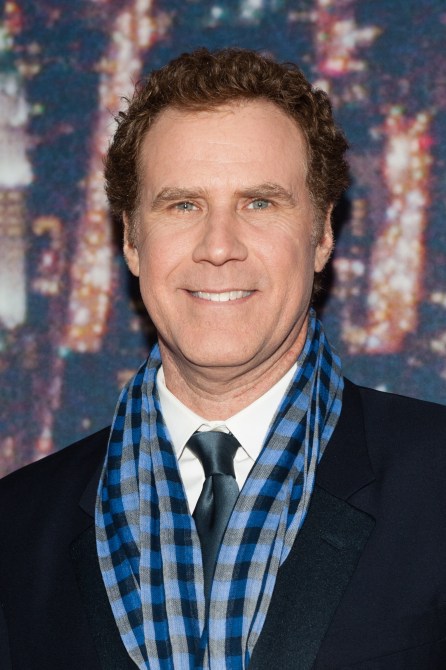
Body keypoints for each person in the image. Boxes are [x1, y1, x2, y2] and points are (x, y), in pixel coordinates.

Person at [0, 47, 446, 670]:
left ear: (322, 235)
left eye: (260, 203)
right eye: (183, 205)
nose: (218, 247)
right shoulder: (17, 525)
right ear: (131, 239)